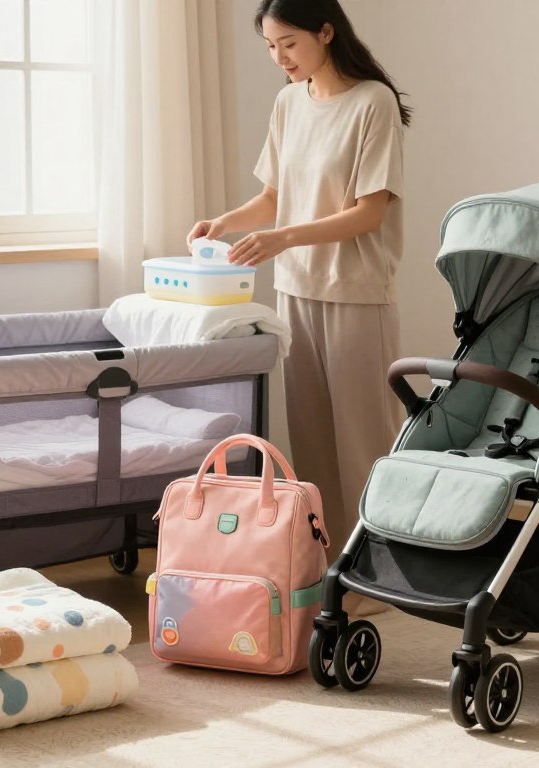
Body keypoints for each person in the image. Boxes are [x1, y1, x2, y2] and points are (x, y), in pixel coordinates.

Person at [186, 0, 409, 608]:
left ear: (325, 31)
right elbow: (276, 194)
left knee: (363, 441)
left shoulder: (372, 104)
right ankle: (330, 568)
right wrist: (225, 223)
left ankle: (381, 573)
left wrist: (283, 235)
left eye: (288, 44)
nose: (279, 58)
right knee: (310, 444)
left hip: (357, 294)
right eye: (269, 47)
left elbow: (369, 211)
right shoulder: (289, 104)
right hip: (295, 291)